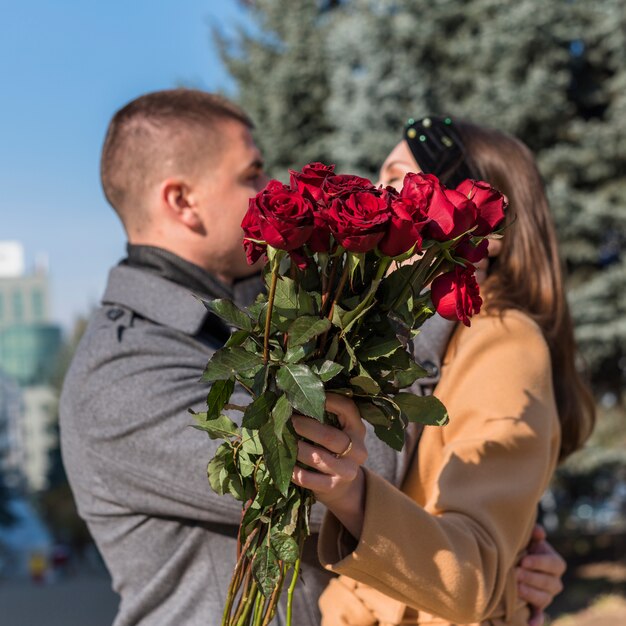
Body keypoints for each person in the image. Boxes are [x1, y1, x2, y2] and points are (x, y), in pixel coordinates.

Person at [60, 92, 565, 626]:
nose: (270, 190)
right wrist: (430, 283)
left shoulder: (268, 307)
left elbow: (425, 504)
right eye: (251, 175)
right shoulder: (120, 375)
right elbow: (347, 466)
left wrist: (508, 551)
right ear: (182, 201)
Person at [290, 118, 596, 626]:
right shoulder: (395, 335)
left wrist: (350, 493)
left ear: (480, 234)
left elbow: (470, 571)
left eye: (399, 181)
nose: (375, 194)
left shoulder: (504, 340)